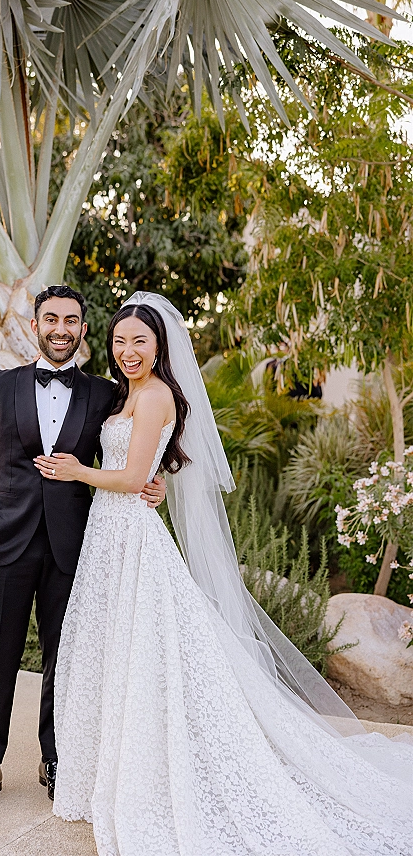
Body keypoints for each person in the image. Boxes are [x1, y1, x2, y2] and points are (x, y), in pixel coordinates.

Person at [34, 292, 412, 856]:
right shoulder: (126, 393)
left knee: (146, 657)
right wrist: (145, 485)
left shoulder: (157, 393)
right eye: (119, 340)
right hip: (110, 537)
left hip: (131, 540)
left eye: (140, 340)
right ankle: (107, 773)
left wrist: (76, 471)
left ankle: (156, 774)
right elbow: (148, 475)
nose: (128, 350)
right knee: (116, 655)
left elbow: (134, 473)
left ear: (160, 346)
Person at [0, 285, 165, 812]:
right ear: (34, 325)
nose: (60, 329)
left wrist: (155, 480)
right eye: (51, 319)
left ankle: (56, 759)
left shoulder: (102, 394)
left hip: (75, 548)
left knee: (64, 659)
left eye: (71, 321)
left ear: (83, 330)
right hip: (5, 543)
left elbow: (136, 442)